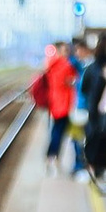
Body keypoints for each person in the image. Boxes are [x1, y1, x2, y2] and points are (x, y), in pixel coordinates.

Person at [31, 41, 77, 169]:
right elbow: (73, 81)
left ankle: (50, 156)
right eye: (65, 50)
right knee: (59, 132)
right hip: (63, 104)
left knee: (55, 131)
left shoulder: (50, 65)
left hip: (54, 102)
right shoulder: (65, 65)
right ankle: (53, 156)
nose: (67, 52)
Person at [75, 33, 106, 177]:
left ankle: (92, 167)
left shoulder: (89, 69)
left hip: (92, 109)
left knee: (91, 138)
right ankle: (102, 168)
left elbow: (83, 89)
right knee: (104, 139)